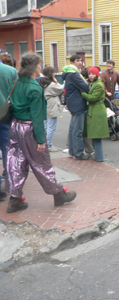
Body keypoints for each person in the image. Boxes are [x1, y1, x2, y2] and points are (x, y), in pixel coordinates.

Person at [6, 53, 77, 213]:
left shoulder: (17, 82)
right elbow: (37, 117)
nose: (41, 68)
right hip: (29, 129)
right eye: (40, 65)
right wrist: (41, 140)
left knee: (16, 163)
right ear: (33, 67)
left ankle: (15, 198)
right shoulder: (34, 88)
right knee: (42, 164)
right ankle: (58, 194)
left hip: (15, 127)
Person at [62, 54, 90, 160]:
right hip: (78, 104)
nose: (80, 62)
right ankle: (78, 153)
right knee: (78, 130)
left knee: (73, 128)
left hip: (73, 103)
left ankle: (73, 151)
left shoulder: (69, 73)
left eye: (81, 60)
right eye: (78, 60)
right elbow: (86, 87)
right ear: (72, 62)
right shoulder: (74, 74)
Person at [82, 67, 109, 162]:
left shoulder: (99, 85)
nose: (91, 76)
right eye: (90, 74)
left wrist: (83, 94)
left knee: (96, 136)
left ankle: (100, 157)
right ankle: (98, 156)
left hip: (97, 111)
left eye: (93, 74)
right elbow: (84, 81)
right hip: (94, 110)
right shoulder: (92, 83)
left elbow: (92, 98)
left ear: (97, 75)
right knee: (94, 135)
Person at [0, 55, 18, 199]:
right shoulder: (10, 71)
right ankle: (10, 182)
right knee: (8, 150)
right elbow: (16, 94)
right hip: (5, 116)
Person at [38, 67, 64, 152]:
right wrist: (57, 82)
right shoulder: (52, 84)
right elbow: (61, 89)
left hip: (45, 106)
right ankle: (48, 144)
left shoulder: (43, 82)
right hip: (52, 106)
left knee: (45, 126)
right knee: (51, 126)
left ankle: (44, 142)